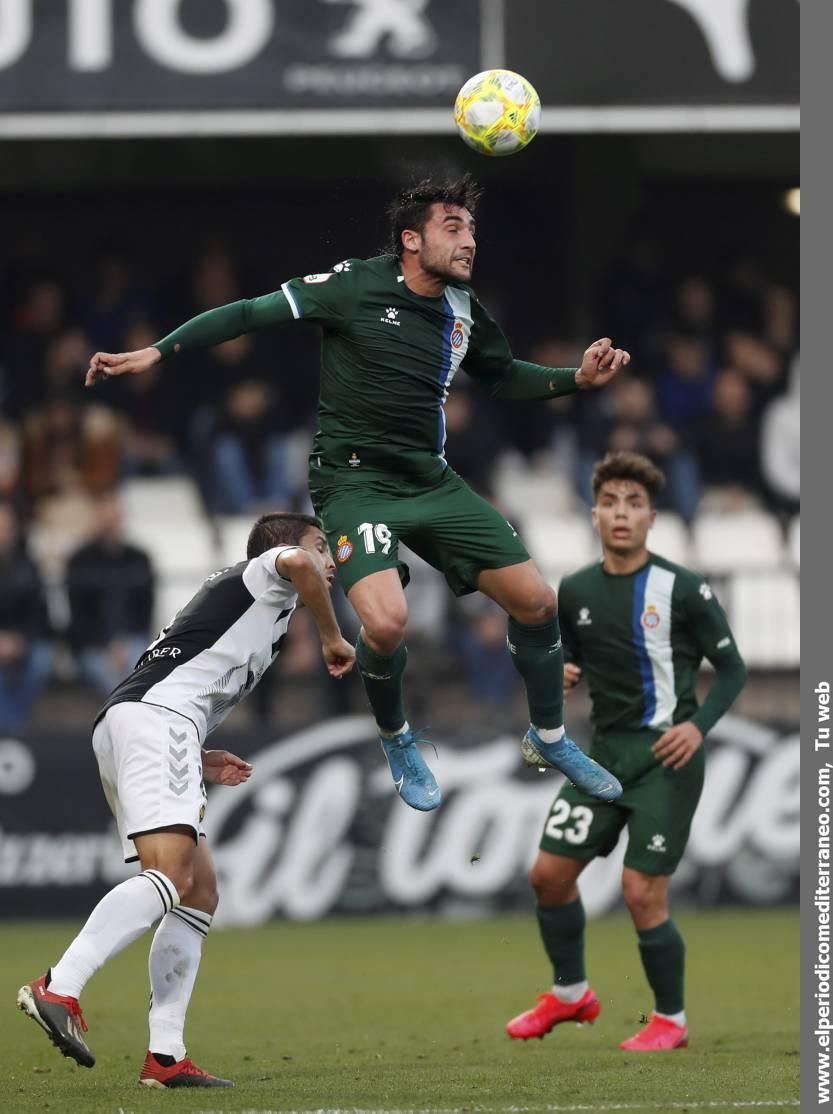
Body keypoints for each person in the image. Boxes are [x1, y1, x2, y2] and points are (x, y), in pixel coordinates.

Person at [86, 174, 630, 812]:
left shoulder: (464, 309)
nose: (468, 242)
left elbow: (504, 377)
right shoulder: (353, 285)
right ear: (410, 239)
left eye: (473, 230)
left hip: (430, 479)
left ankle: (548, 736)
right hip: (354, 481)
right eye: (452, 228)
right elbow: (249, 312)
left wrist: (577, 378)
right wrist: (160, 350)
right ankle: (397, 735)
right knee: (387, 622)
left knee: (538, 603)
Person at [17, 512, 354, 1088]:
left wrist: (197, 755)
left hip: (149, 724)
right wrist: (330, 632)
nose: (328, 559)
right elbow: (297, 565)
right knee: (169, 874)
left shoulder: (261, 616)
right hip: (155, 722)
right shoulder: (264, 574)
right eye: (322, 546)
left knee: (198, 890)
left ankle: (166, 1057)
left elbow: (187, 675)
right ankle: (59, 986)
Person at [505, 451, 747, 1052]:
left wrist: (698, 727)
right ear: (593, 515)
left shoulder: (684, 589)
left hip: (669, 756)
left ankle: (670, 1020)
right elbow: (570, 661)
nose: (621, 513)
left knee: (642, 891)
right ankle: (570, 996)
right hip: (601, 756)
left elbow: (735, 670)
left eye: (633, 503)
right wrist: (560, 671)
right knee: (549, 875)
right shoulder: (577, 589)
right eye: (611, 502)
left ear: (651, 517)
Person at [66, 490, 155, 697]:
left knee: (138, 671)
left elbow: (146, 610)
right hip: (93, 645)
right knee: (118, 683)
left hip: (133, 641)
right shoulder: (80, 561)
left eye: (114, 518)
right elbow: (78, 615)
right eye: (105, 519)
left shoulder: (140, 558)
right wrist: (108, 644)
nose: (110, 524)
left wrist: (123, 643)